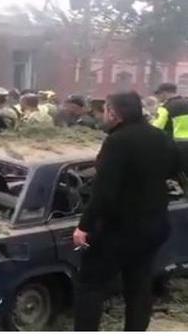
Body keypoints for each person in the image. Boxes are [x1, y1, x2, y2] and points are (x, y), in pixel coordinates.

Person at [73, 91, 179, 331]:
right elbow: (173, 170)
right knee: (139, 285)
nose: (103, 115)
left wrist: (84, 226)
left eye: (105, 110)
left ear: (114, 113)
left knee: (90, 285)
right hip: (154, 225)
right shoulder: (160, 137)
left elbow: (104, 192)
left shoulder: (117, 142)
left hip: (119, 229)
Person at [152, 82, 188, 169]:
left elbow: (156, 128)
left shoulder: (165, 107)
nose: (158, 97)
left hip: (175, 147)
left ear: (164, 93)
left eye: (158, 94)